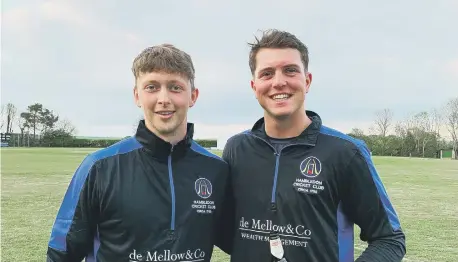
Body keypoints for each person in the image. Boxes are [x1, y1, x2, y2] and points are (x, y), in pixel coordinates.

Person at [220, 29, 406, 261]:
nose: (279, 82)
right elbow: (228, 234)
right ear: (254, 86)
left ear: (307, 81)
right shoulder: (236, 149)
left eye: (290, 70)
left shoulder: (346, 152)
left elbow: (389, 239)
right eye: (267, 73)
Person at [46, 44, 230, 262]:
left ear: (193, 96)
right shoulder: (99, 166)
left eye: (175, 87)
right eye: (152, 87)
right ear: (137, 96)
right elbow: (63, 251)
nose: (164, 99)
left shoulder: (215, 169)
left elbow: (237, 240)